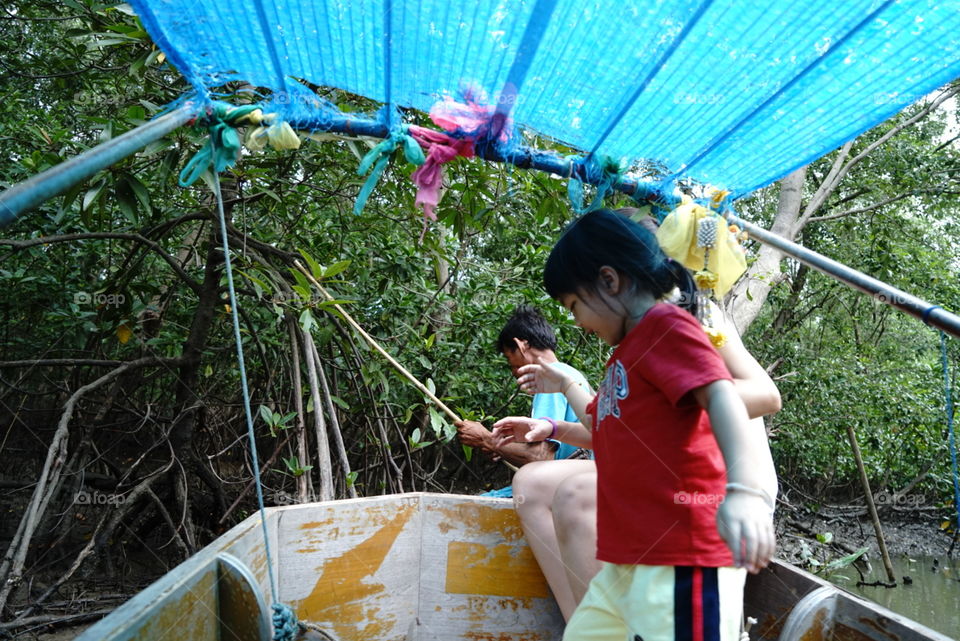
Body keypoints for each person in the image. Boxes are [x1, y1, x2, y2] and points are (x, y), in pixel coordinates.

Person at [493, 208, 778, 641]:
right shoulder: (625, 354)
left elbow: (722, 396)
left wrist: (746, 493)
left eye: (574, 305)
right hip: (628, 560)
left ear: (610, 280)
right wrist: (553, 424)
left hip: (684, 556)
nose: (576, 322)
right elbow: (612, 430)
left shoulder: (668, 326)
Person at [453, 305, 590, 496]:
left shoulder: (552, 381)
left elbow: (541, 456)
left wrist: (486, 439)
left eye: (511, 360)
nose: (514, 371)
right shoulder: (572, 375)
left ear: (521, 345)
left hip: (562, 490)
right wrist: (502, 447)